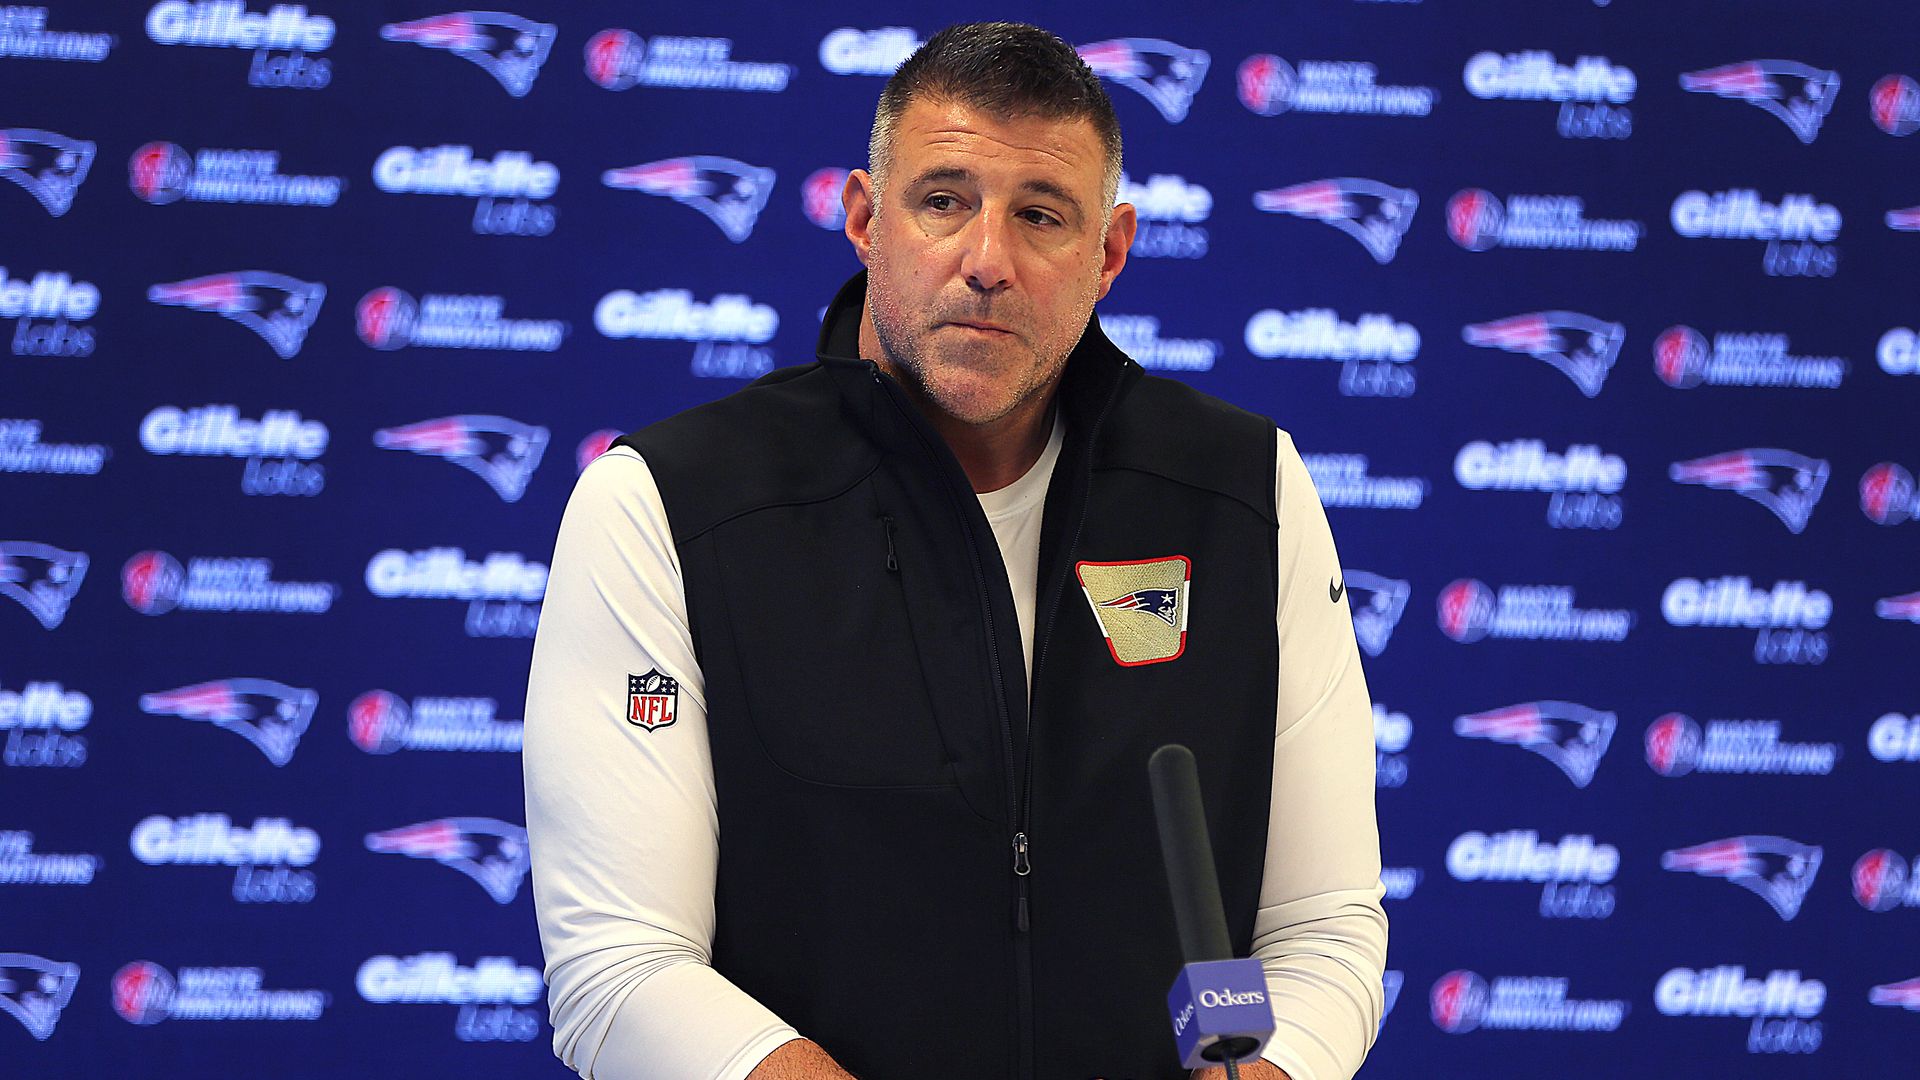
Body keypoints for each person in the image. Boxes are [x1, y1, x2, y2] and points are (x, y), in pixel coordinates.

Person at [524, 22, 1385, 1080]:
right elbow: (621, 967)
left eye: (1041, 215)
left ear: (1109, 253)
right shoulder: (668, 503)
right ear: (863, 218)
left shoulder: (1246, 489)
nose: (987, 262)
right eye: (943, 201)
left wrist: (1262, 1066)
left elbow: (1319, 925)